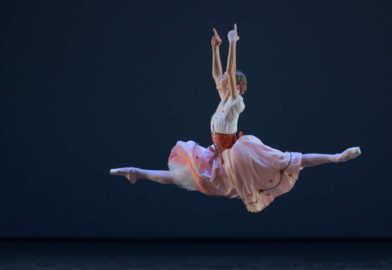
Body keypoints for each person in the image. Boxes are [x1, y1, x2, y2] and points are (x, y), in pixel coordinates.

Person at [110, 24, 361, 213]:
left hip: (236, 157)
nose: (219, 82)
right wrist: (215, 48)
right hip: (218, 156)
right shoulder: (223, 98)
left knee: (289, 161)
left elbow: (228, 74)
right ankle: (136, 172)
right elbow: (217, 73)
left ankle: (335, 157)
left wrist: (233, 44)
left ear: (237, 86)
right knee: (183, 176)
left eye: (226, 83)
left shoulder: (235, 101)